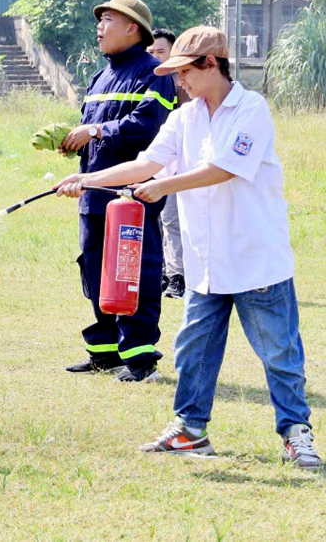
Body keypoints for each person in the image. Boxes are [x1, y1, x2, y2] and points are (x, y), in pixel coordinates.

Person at [55, 26, 322, 468]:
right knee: (193, 351)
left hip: (256, 259)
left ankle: (296, 433)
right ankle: (190, 430)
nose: (179, 81)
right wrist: (89, 179)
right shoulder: (183, 118)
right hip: (206, 262)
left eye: (185, 72)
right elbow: (147, 163)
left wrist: (159, 187)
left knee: (279, 353)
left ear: (211, 64)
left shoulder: (251, 109)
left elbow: (224, 169)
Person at [57, 0, 177, 382]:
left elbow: (146, 126)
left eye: (108, 19)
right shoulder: (99, 78)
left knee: (133, 273)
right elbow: (96, 131)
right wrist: (76, 146)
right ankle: (105, 353)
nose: (99, 26)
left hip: (132, 197)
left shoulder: (155, 72)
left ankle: (141, 361)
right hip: (93, 193)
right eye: (99, 20)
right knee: (94, 270)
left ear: (133, 28)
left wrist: (95, 130)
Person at [147, 28, 188, 299]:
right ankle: (162, 272)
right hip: (152, 163)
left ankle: (178, 276)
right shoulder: (148, 82)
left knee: (172, 220)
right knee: (158, 221)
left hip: (179, 166)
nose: (155, 57)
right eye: (150, 52)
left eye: (161, 52)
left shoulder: (182, 84)